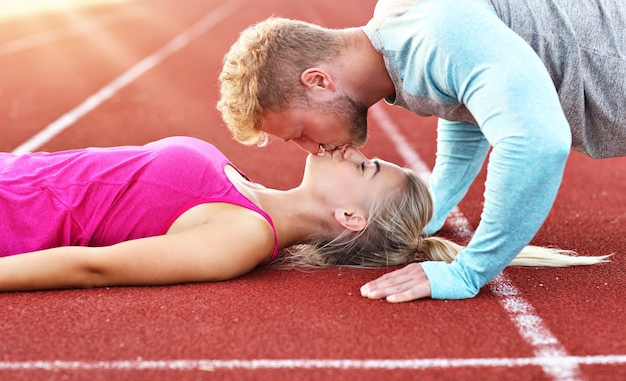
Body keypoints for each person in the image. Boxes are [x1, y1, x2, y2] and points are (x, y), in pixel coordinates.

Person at [216, 0, 625, 301]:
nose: (310, 149)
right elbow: (467, 102)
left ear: (319, 81)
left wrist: (470, 271)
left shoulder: (434, 30)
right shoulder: (400, 25)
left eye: (300, 131)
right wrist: (436, 204)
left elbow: (537, 141)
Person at [0, 136, 607, 292]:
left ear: (348, 216)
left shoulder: (241, 236)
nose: (355, 152)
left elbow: (93, 268)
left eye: (367, 169)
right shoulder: (245, 186)